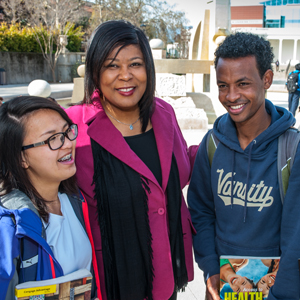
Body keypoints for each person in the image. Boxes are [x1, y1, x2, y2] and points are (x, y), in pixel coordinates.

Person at [67, 20, 198, 300]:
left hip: (168, 273)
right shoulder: (71, 126)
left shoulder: (164, 112)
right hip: (112, 281)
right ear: (95, 71)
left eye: (135, 64)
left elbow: (182, 169)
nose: (125, 76)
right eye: (112, 65)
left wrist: (224, 145)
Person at [188, 32, 300, 300]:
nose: (231, 95)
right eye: (223, 85)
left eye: (243, 83)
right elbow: (201, 210)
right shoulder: (212, 144)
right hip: (225, 285)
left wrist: (280, 293)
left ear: (267, 80)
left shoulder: (292, 150)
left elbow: (296, 237)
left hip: (277, 290)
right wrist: (211, 268)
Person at [0, 96, 101, 300]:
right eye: (51, 139)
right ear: (21, 157)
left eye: (66, 132)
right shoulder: (11, 226)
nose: (67, 144)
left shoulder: (76, 200)